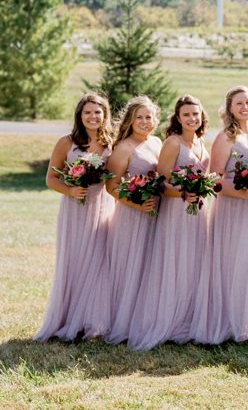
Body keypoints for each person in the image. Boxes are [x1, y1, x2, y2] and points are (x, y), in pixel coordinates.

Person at [128, 94, 211, 350]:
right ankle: (168, 322)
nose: (192, 118)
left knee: (193, 264)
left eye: (196, 114)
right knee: (174, 263)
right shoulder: (173, 143)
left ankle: (187, 320)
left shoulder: (200, 141)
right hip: (175, 211)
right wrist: (184, 193)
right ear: (178, 118)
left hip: (196, 211)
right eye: (186, 114)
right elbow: (161, 183)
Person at [35, 92, 115, 342]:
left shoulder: (111, 143)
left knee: (100, 264)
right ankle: (69, 319)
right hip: (74, 209)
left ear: (105, 115)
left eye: (98, 112)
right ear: (80, 116)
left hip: (103, 208)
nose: (93, 116)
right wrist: (70, 189)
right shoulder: (67, 142)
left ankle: (94, 322)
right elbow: (51, 178)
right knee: (75, 262)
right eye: (88, 112)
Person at [190, 86, 248, 344]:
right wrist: (240, 192)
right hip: (233, 207)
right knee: (233, 262)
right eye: (239, 103)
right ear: (230, 108)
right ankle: (229, 323)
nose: (245, 107)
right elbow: (215, 178)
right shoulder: (225, 137)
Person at [104, 95, 163, 345]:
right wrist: (135, 203)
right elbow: (111, 185)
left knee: (150, 267)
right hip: (131, 215)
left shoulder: (158, 142)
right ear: (129, 120)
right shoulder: (124, 147)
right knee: (131, 266)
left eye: (148, 117)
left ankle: (146, 319)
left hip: (157, 213)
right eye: (139, 117)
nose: (144, 121)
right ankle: (123, 323)